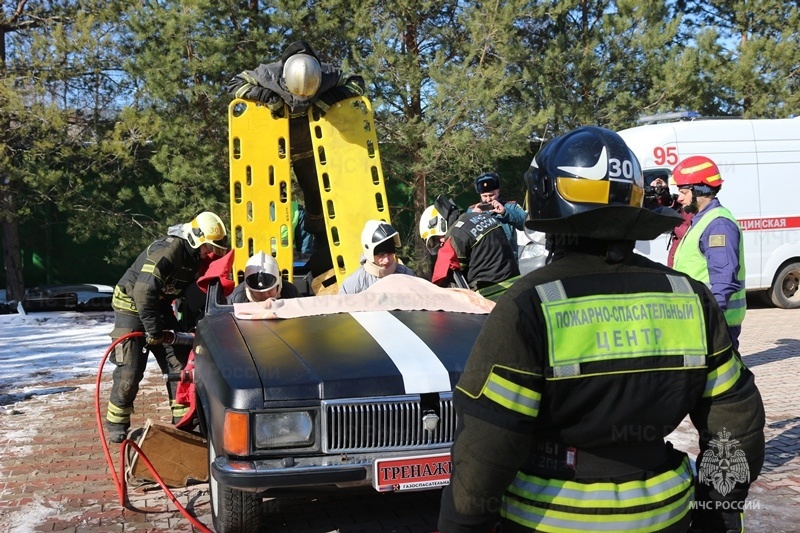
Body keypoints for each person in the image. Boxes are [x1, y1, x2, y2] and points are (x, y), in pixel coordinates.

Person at [438, 126, 765, 533]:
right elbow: (737, 422)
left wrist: (460, 522)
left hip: (549, 521)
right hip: (666, 518)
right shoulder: (690, 298)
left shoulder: (529, 304)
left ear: (544, 199)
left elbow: (486, 446)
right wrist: (717, 515)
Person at [227, 40, 365, 277]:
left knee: (314, 192)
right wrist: (266, 97)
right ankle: (263, 252)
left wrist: (326, 100)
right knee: (266, 195)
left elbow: (357, 83)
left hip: (307, 146)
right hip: (270, 147)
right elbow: (234, 84)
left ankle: (319, 237)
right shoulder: (267, 73)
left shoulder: (328, 74)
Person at [106, 211, 229, 443]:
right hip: (131, 305)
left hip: (158, 306)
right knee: (130, 369)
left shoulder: (194, 258)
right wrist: (153, 332)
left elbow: (191, 295)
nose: (210, 253)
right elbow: (143, 292)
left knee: (179, 364)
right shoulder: (170, 250)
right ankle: (117, 423)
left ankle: (183, 422)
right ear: (195, 238)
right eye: (208, 247)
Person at [671, 155, 746, 349]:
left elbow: (724, 279)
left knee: (718, 379)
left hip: (712, 323)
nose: (679, 197)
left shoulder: (717, 224)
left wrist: (710, 317)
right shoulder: (702, 220)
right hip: (699, 319)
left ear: (700, 191)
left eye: (684, 192)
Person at [421, 195, 518, 291]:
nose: (441, 242)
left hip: (489, 296)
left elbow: (441, 280)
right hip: (517, 287)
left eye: (437, 238)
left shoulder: (455, 236)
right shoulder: (484, 217)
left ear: (440, 224)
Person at [338, 220, 415, 294]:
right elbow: (342, 305)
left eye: (390, 253)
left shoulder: (406, 274)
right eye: (381, 255)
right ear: (370, 253)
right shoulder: (354, 285)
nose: (386, 260)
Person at [470, 172, 527, 260]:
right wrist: (472, 216)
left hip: (508, 261)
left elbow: (526, 223)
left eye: (491, 195)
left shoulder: (510, 206)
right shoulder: (472, 210)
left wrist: (505, 212)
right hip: (484, 261)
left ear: (498, 191)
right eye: (484, 196)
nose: (488, 199)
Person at [228, 251, 300, 303]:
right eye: (259, 292)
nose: (265, 295)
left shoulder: (291, 293)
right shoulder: (236, 298)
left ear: (279, 283)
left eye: (269, 290)